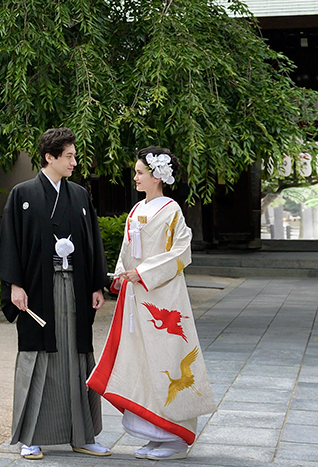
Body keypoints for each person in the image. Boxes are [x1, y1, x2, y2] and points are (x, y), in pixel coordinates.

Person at [86, 147, 217, 461]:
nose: (135, 178)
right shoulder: (135, 211)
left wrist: (142, 272)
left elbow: (181, 253)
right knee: (141, 360)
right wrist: (120, 276)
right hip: (137, 296)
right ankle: (156, 434)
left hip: (164, 296)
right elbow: (127, 252)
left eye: (140, 173)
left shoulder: (171, 210)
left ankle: (175, 437)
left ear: (157, 176)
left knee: (168, 359)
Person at [0, 127, 111, 460]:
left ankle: (82, 435)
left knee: (76, 356)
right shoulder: (23, 194)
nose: (75, 161)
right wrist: (15, 285)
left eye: (74, 155)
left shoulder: (79, 195)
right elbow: (11, 243)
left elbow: (92, 243)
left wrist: (95, 285)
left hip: (74, 287)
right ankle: (32, 436)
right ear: (50, 157)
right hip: (37, 289)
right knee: (38, 357)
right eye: (69, 156)